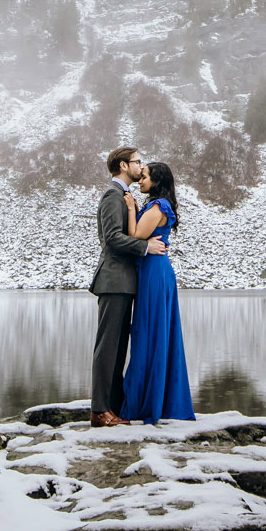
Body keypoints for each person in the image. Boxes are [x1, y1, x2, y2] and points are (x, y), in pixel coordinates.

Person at [89, 145, 163, 427]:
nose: (139, 166)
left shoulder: (123, 195)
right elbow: (112, 239)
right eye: (137, 162)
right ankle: (99, 410)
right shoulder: (112, 195)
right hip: (113, 280)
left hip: (124, 281)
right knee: (107, 347)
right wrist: (145, 246)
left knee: (119, 347)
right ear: (123, 166)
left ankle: (113, 407)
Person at [117, 160, 195, 424]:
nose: (141, 180)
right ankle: (154, 398)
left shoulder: (157, 205)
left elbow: (136, 235)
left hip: (154, 274)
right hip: (154, 272)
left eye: (145, 177)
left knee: (148, 333)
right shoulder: (158, 205)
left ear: (157, 181)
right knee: (153, 333)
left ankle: (146, 403)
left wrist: (130, 209)